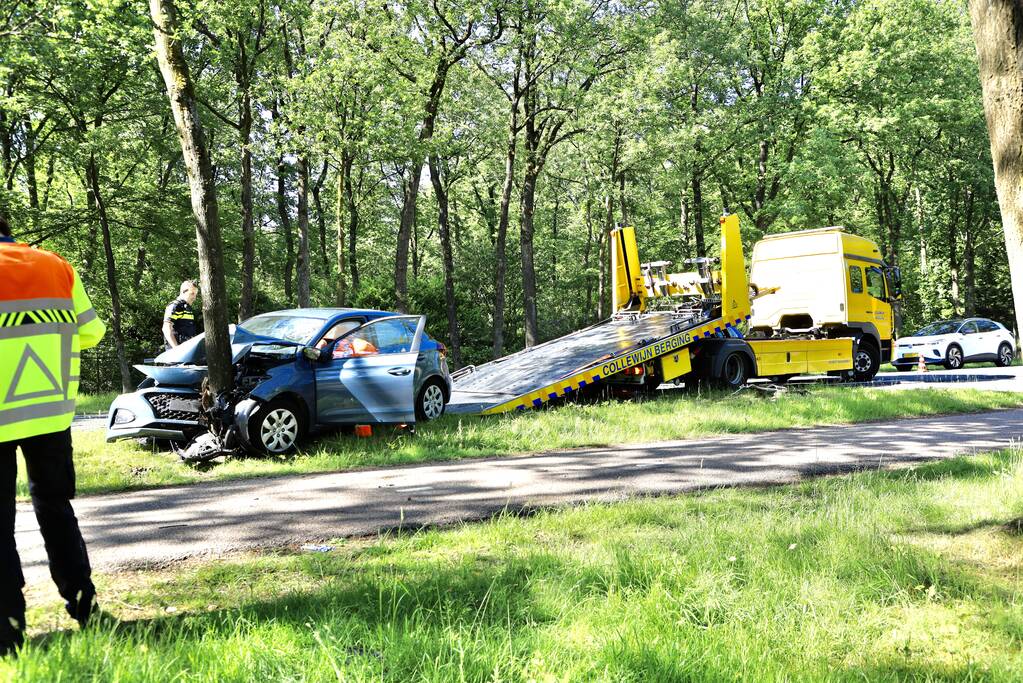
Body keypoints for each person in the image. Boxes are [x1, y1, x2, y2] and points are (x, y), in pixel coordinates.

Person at [0, 215, 106, 657]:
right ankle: (84, 607)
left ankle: (8, 632)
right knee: (56, 508)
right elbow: (92, 332)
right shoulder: (56, 265)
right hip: (50, 412)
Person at [162, 280, 198, 349]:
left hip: (187, 350)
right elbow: (166, 328)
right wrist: (176, 349)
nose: (194, 297)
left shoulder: (187, 308)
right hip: (176, 354)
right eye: (192, 293)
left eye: (196, 294)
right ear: (183, 292)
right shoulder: (175, 306)